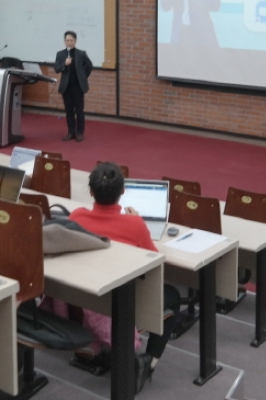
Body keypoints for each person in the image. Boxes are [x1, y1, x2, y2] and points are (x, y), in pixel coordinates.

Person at [67, 162, 180, 393]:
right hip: (121, 304)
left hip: (86, 298)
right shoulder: (135, 224)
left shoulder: (76, 217)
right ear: (122, 192)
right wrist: (138, 222)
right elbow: (155, 264)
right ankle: (148, 361)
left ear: (90, 192)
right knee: (172, 296)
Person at [54, 31, 92, 142]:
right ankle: (71, 132)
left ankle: (80, 132)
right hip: (66, 87)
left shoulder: (81, 54)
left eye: (71, 40)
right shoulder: (60, 54)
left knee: (79, 111)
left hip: (78, 87)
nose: (69, 42)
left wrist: (83, 77)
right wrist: (64, 64)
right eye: (67, 40)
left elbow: (89, 66)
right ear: (64, 41)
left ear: (75, 41)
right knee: (69, 111)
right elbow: (57, 69)